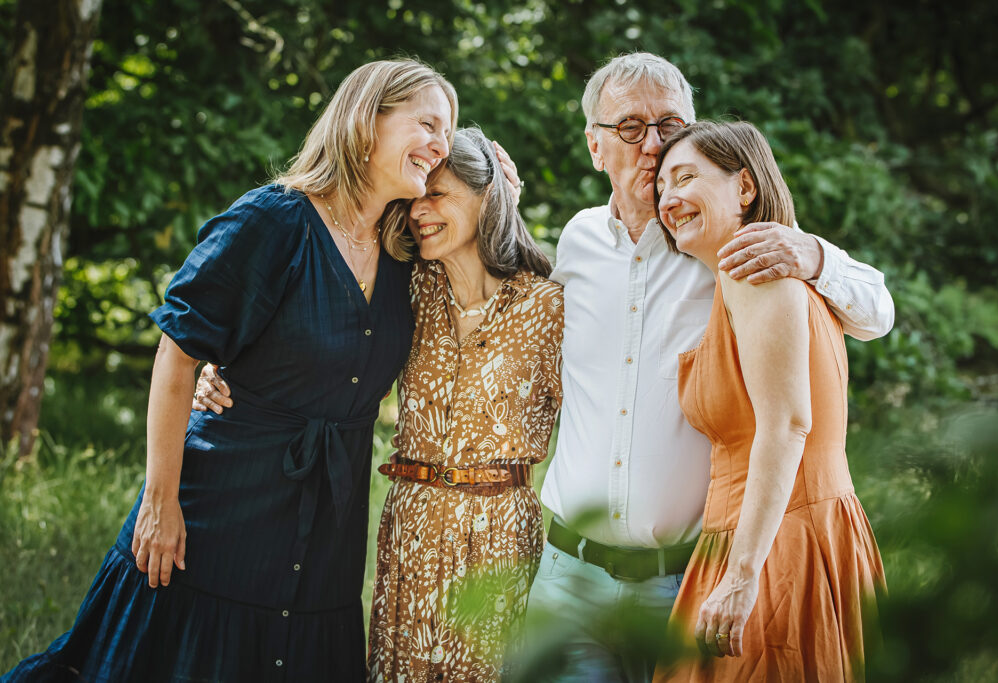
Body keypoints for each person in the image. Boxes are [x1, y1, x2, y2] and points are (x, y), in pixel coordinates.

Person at [1, 59, 457, 683]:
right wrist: (159, 504)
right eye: (427, 124)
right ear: (365, 119)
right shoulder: (273, 220)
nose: (440, 144)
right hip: (219, 517)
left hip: (327, 540)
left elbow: (484, 238)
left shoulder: (409, 252)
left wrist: (501, 183)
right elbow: (177, 353)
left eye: (448, 133)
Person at [525, 52, 894, 682]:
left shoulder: (733, 249)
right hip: (570, 575)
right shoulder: (576, 242)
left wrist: (813, 253)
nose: (652, 145)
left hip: (687, 577)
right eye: (630, 127)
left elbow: (876, 313)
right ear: (595, 146)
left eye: (669, 126)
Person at [196, 128, 563, 682]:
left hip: (498, 535)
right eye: (414, 198)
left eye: (437, 194)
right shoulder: (406, 290)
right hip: (410, 526)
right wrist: (222, 368)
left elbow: (603, 407)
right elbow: (312, 341)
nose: (419, 211)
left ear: (487, 197)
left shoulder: (550, 306)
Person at [650, 120, 885, 681]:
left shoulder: (757, 272)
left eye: (685, 178)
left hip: (774, 547)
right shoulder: (763, 275)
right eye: (661, 187)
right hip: (788, 532)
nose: (668, 199)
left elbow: (787, 427)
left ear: (745, 187)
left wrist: (740, 575)